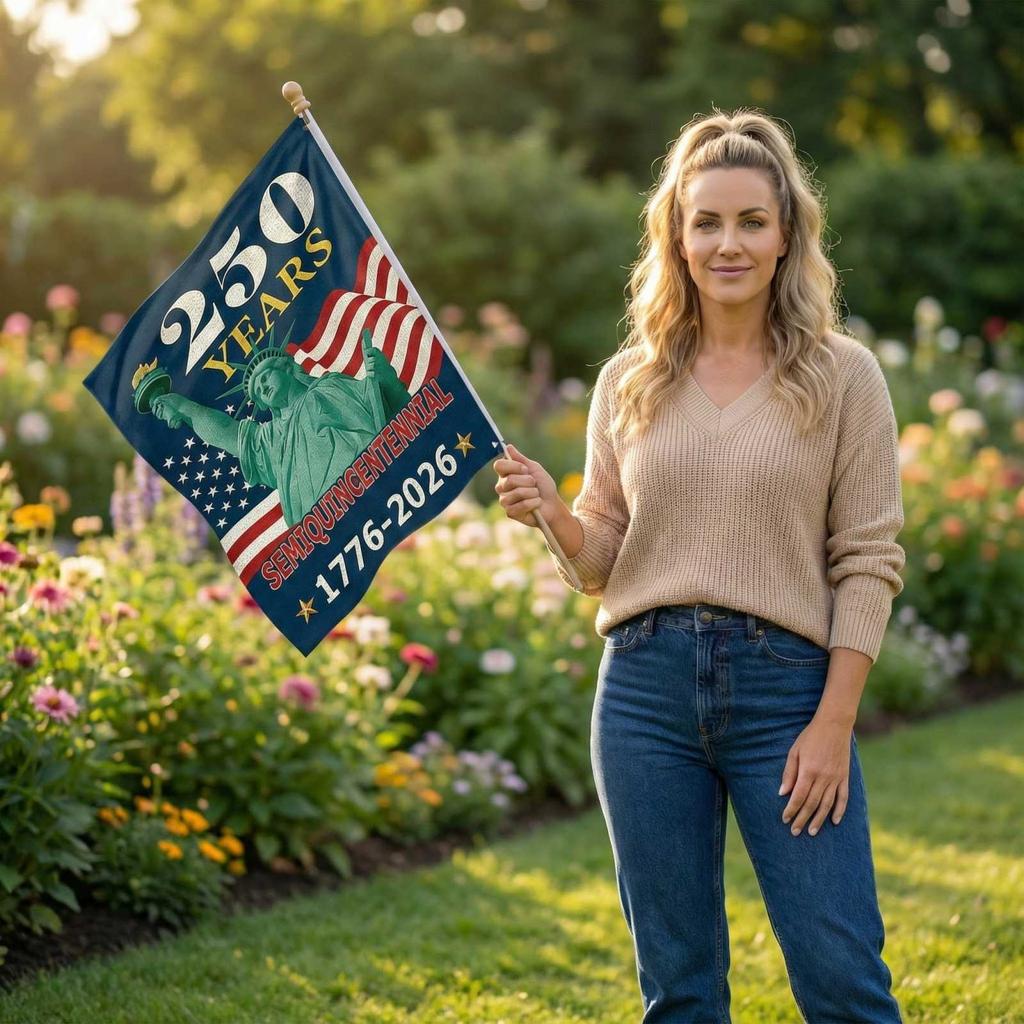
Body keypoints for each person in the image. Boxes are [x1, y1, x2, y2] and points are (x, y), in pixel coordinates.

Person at [492, 108, 906, 1023]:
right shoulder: (628, 381)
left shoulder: (845, 377)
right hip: (643, 696)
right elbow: (604, 558)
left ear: (787, 233)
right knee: (678, 990)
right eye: (706, 222)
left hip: (788, 697)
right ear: (676, 238)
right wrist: (555, 515)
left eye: (751, 221)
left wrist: (834, 722)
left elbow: (869, 559)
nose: (729, 243)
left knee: (842, 977)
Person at [152, 344, 411, 527]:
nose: (263, 387)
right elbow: (227, 433)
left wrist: (384, 376)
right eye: (257, 390)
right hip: (325, 528)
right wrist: (184, 408)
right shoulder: (273, 438)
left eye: (265, 377)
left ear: (286, 369)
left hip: (374, 493)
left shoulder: (328, 388)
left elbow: (386, 410)